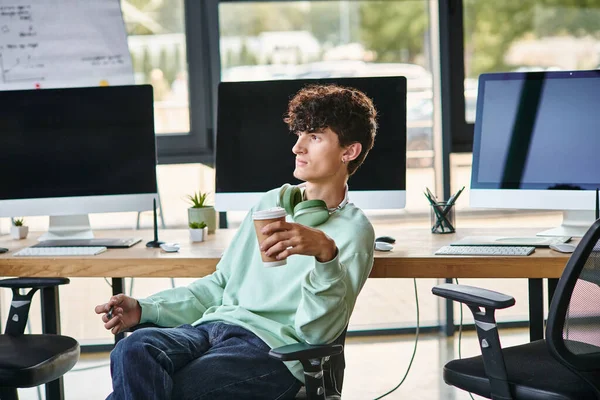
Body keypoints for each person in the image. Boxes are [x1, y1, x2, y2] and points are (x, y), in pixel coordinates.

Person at [95, 84, 378, 400]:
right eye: (299, 135)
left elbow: (317, 333)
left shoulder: (354, 232)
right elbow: (219, 285)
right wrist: (144, 308)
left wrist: (325, 255)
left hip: (270, 349)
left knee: (163, 389)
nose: (298, 147)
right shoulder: (271, 204)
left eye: (314, 137)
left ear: (349, 151)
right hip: (211, 328)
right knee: (131, 348)